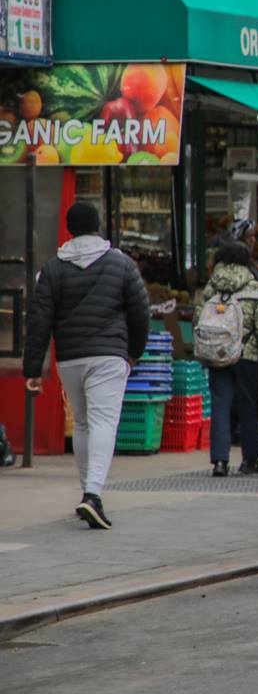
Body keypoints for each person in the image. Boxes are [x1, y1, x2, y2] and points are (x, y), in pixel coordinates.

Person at [22, 201, 150, 529]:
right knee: (104, 421)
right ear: (98, 226)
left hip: (70, 358)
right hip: (109, 356)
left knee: (81, 423)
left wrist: (33, 370)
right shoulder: (121, 265)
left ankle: (87, 491)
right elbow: (140, 312)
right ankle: (93, 494)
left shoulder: (52, 269)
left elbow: (39, 321)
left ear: (69, 229)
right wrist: (133, 352)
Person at [197, 241, 258, 477]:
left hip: (217, 354)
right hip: (247, 355)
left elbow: (198, 320)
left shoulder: (212, 287)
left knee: (220, 405)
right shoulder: (254, 287)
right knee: (248, 405)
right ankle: (250, 459)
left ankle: (220, 461)